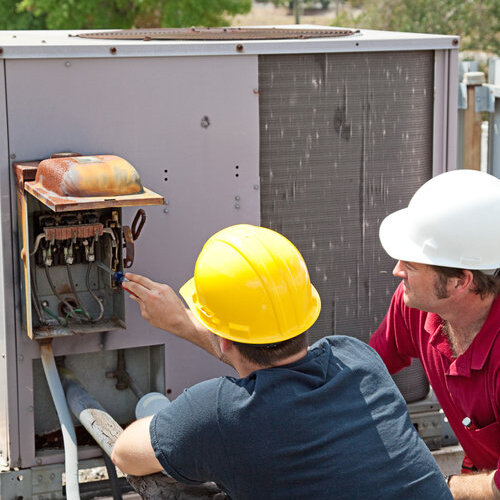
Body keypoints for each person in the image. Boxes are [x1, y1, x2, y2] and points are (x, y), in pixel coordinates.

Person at [112, 224, 451, 500]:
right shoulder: (357, 359)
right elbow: (278, 371)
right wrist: (185, 323)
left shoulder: (217, 413)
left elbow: (125, 452)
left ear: (225, 339)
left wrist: (177, 419)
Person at [369, 169, 500, 500]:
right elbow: (366, 370)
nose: (398, 270)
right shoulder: (414, 305)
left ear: (460, 281)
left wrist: (442, 488)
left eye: (412, 264)